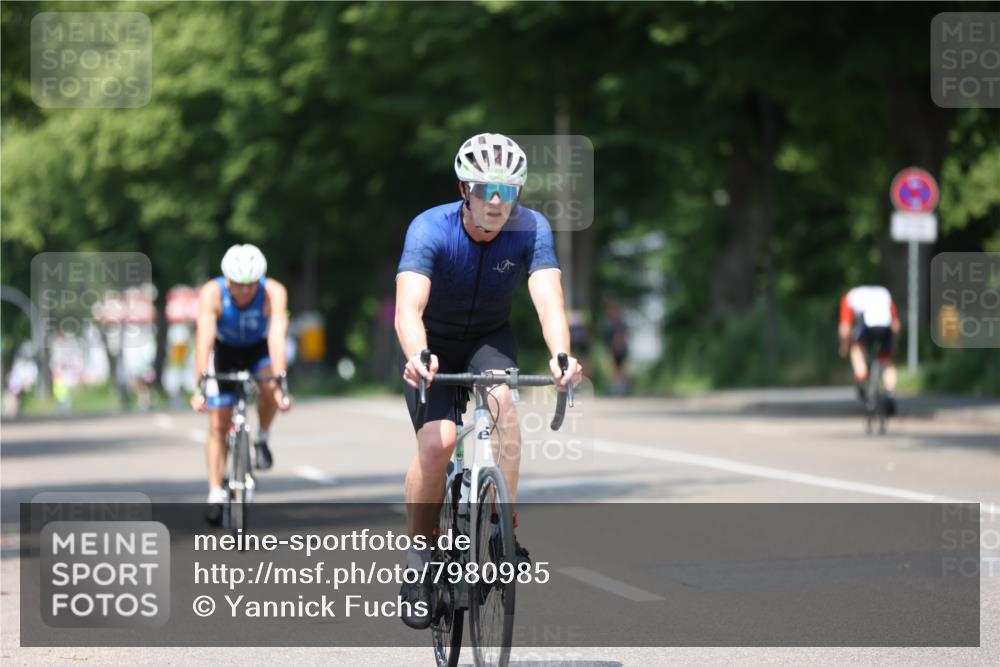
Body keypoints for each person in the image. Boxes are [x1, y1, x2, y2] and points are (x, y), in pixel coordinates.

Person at [394, 132, 583, 629]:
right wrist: (417, 354)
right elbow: (408, 308)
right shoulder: (429, 229)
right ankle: (420, 556)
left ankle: (503, 530)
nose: (498, 202)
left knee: (502, 403)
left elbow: (548, 298)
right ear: (465, 190)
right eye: (486, 190)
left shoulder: (532, 228)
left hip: (488, 339)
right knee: (437, 445)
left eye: (509, 190)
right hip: (433, 342)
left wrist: (561, 354)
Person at [190, 244, 293, 524]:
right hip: (225, 351)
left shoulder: (274, 292)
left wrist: (281, 383)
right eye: (238, 285)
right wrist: (200, 383)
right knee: (218, 423)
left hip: (258, 349)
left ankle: (262, 438)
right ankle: (214, 492)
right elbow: (205, 339)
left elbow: (277, 336)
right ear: (228, 281)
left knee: (270, 388)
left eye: (251, 285)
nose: (246, 291)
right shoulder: (212, 292)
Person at [838, 285, 901, 413]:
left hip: (867, 326)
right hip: (885, 327)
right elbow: (896, 325)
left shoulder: (849, 298)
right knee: (887, 363)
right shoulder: (884, 293)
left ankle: (861, 380)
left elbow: (845, 329)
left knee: (856, 349)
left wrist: (844, 346)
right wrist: (894, 345)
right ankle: (889, 393)